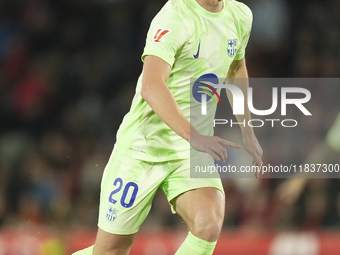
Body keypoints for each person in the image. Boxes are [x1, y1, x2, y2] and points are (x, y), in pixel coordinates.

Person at [73, 0, 263, 254]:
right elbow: (151, 85)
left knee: (208, 223)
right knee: (111, 250)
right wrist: (192, 134)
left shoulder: (240, 15)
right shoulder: (174, 16)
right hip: (143, 149)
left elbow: (236, 68)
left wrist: (248, 131)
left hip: (190, 150)